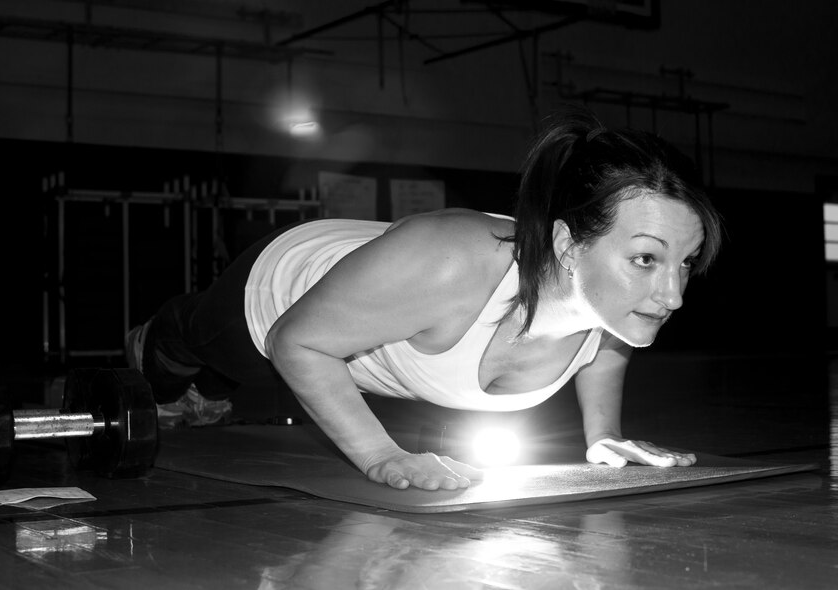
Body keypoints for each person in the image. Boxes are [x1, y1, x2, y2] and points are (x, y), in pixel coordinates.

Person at [126, 107, 723, 492]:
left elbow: (606, 344)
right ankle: (163, 336)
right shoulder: (451, 259)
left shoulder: (611, 296)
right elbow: (296, 341)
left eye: (686, 262)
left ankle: (205, 387)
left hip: (394, 292)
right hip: (285, 292)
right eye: (646, 258)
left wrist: (604, 434)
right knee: (192, 356)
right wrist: (384, 456)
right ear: (567, 244)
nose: (671, 294)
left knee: (216, 390)